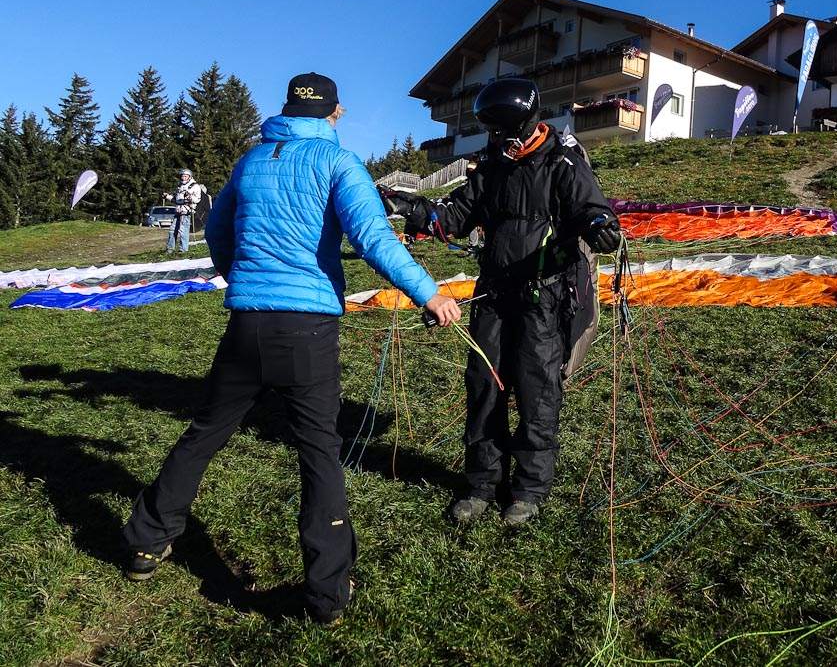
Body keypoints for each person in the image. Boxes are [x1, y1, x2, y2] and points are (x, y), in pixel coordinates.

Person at [121, 72, 461, 624]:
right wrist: (430, 293)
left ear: (287, 109)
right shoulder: (339, 163)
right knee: (319, 451)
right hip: (307, 329)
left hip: (247, 324)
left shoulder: (252, 161)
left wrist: (242, 277)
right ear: (335, 113)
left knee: (206, 431)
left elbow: (218, 231)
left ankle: (146, 540)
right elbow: (372, 238)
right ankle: (327, 592)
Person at [386, 77, 622, 527]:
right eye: (494, 135)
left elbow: (589, 207)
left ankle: (528, 489)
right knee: (484, 387)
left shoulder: (563, 161)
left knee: (537, 391)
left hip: (545, 298)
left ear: (526, 126)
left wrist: (599, 225)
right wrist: (412, 208)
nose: (498, 142)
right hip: (494, 295)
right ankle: (481, 483)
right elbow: (455, 216)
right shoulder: (493, 166)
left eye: (503, 134)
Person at [166, 168, 202, 253]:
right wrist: (167, 196)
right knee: (172, 230)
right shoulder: (180, 186)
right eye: (182, 176)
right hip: (178, 211)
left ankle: (183, 250)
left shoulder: (194, 186)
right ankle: (170, 249)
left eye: (185, 176)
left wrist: (190, 197)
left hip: (186, 211)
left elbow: (197, 199)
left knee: (183, 231)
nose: (183, 178)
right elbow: (176, 200)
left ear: (190, 177)